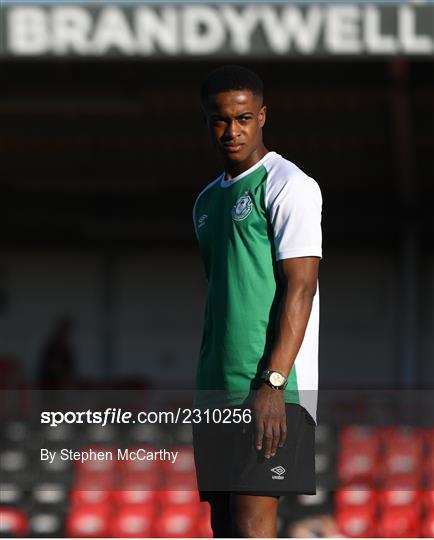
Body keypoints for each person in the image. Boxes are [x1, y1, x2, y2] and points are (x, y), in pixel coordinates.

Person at [192, 65, 323, 538]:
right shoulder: (205, 202)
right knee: (224, 529)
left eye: (244, 118)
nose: (232, 130)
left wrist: (272, 382)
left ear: (263, 116)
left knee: (252, 527)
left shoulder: (290, 184)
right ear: (207, 121)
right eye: (220, 119)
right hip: (214, 390)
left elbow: (301, 288)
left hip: (271, 390)